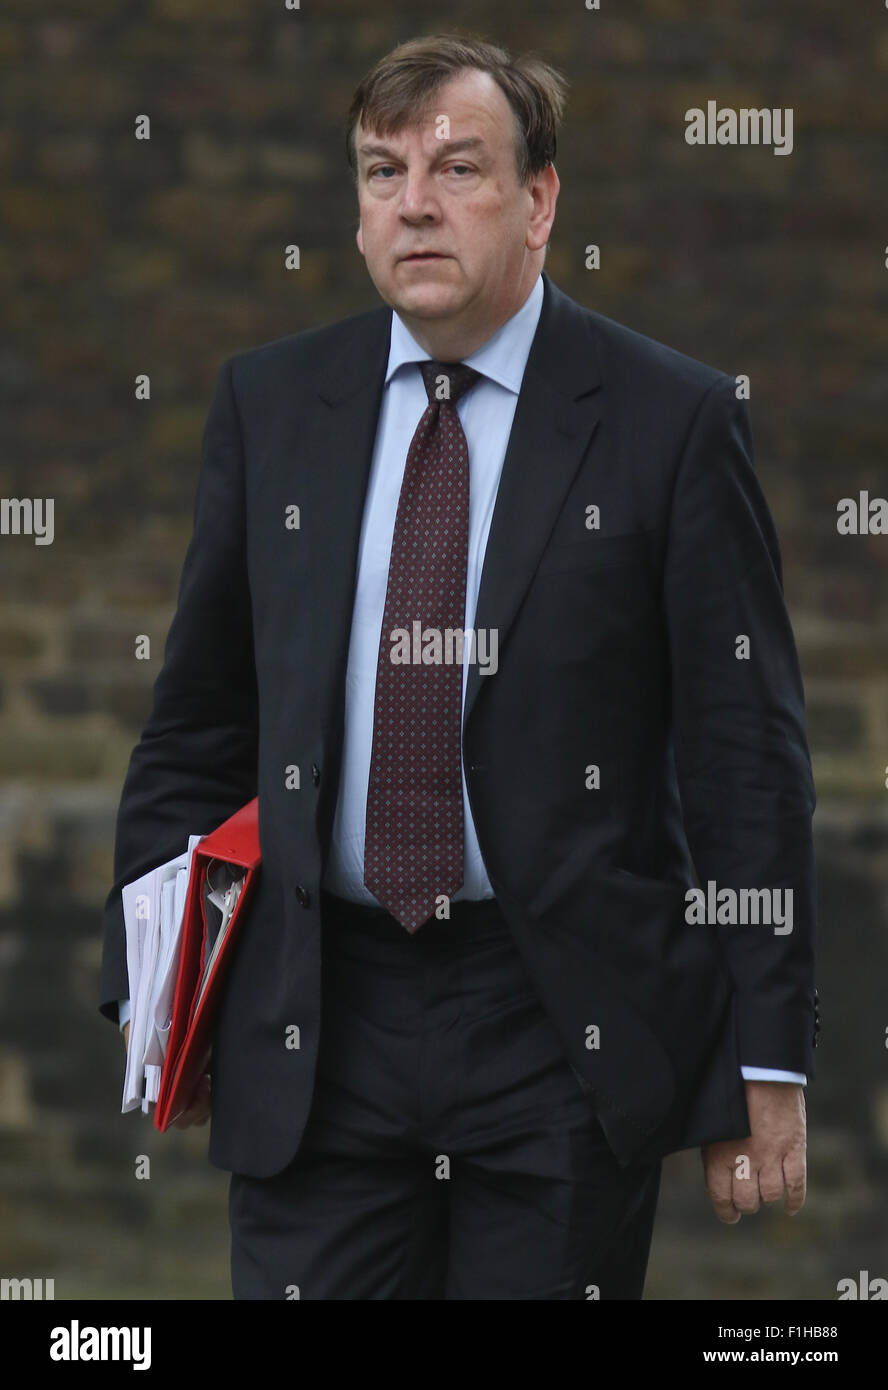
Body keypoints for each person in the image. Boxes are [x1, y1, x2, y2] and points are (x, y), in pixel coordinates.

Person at [100, 32, 819, 1299]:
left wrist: (765, 1060)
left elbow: (743, 760)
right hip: (322, 1014)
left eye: (456, 168)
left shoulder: (671, 420)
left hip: (559, 1029)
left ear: (539, 202)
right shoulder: (273, 405)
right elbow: (198, 726)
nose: (414, 204)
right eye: (382, 173)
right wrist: (160, 1002)